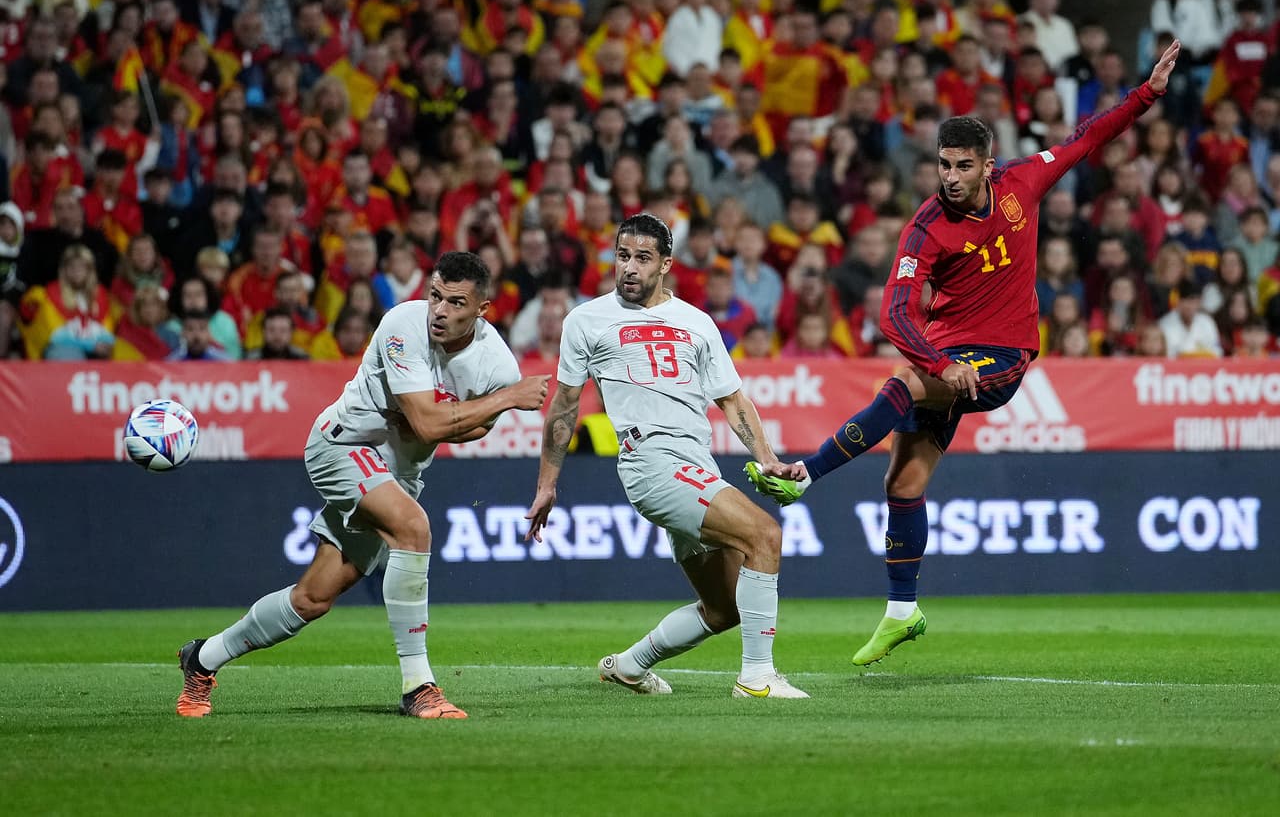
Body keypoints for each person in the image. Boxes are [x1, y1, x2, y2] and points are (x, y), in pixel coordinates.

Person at [746, 41, 1185, 668]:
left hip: (1003, 355)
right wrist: (941, 360)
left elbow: (1087, 138)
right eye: (942, 165)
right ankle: (903, 612)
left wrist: (1147, 94)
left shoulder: (1023, 182)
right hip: (949, 355)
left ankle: (806, 475)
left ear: (987, 165)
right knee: (903, 479)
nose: (949, 176)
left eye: (961, 165)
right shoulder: (925, 227)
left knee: (901, 387)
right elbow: (893, 311)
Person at [176, 252, 550, 720]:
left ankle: (203, 658)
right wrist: (505, 400)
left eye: (455, 303)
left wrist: (478, 408)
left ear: (482, 309)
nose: (439, 310)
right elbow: (433, 424)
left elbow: (478, 428)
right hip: (343, 444)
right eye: (436, 296)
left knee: (311, 599)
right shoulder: (403, 326)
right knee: (414, 528)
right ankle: (419, 687)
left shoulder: (496, 362)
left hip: (398, 473)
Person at [525, 213, 807, 700]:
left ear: (665, 265)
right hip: (652, 465)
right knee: (765, 535)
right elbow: (564, 408)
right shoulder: (587, 320)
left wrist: (767, 459)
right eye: (622, 256)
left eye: (642, 258)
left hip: (697, 464)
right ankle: (757, 678)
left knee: (723, 609)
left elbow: (733, 400)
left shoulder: (696, 323)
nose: (629, 267)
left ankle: (629, 667)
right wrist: (547, 484)